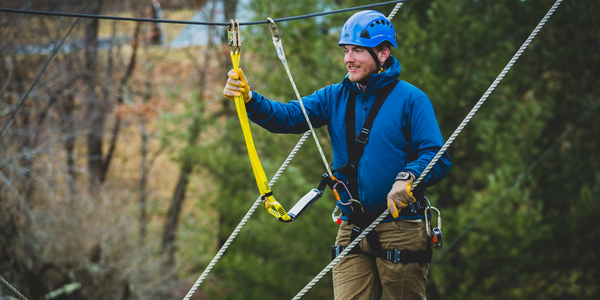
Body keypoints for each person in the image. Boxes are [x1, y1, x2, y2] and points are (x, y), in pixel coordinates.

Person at [223, 10, 451, 300]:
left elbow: (438, 156)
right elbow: (289, 117)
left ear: (383, 53)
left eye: (357, 50)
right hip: (352, 228)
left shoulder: (411, 99)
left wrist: (407, 177)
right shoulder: (334, 96)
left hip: (400, 227)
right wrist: (250, 99)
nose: (348, 59)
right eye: (346, 50)